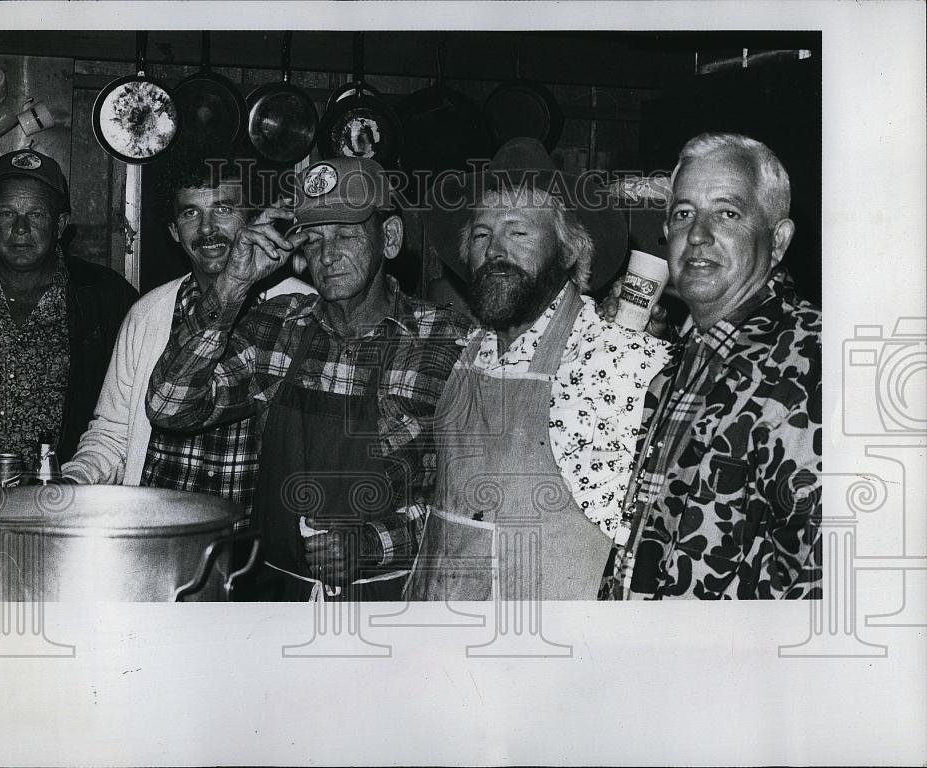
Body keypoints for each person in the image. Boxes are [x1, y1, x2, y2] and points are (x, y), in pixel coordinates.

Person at [146, 156, 473, 600]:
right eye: (314, 241)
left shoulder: (448, 342)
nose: (328, 255)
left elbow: (472, 499)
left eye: (346, 235)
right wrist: (232, 283)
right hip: (271, 601)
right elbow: (169, 407)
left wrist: (368, 545)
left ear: (390, 238)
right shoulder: (278, 328)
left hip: (391, 607)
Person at [405, 137, 671, 601]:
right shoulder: (467, 353)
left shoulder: (617, 361)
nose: (495, 249)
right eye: (482, 234)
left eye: (519, 232)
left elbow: (653, 544)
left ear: (569, 252)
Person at [601, 132, 821, 600]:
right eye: (683, 214)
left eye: (727, 213)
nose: (698, 235)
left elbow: (831, 573)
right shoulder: (680, 365)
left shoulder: (810, 361)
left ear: (778, 241)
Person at [60, 154, 312, 527]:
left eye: (223, 209)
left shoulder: (301, 312)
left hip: (255, 549)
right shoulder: (147, 315)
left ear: (253, 219)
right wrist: (70, 484)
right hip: (159, 537)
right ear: (174, 230)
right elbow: (113, 434)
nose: (208, 229)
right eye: (190, 214)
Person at [0, 148, 138, 471]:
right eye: (7, 213)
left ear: (61, 224)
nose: (21, 228)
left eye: (36, 214)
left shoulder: (107, 298)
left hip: (66, 498)